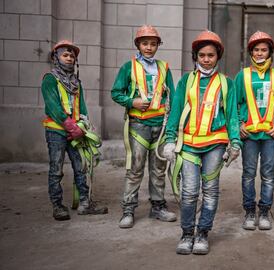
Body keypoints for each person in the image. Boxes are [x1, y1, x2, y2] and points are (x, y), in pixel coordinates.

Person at [163, 30, 241, 255]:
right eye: (202, 55)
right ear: (195, 56)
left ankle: (203, 233)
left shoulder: (227, 83)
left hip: (215, 145)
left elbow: (232, 116)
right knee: (188, 192)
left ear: (218, 56)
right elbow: (176, 111)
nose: (206, 59)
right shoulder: (186, 81)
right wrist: (170, 140)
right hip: (188, 145)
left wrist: (234, 142)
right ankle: (187, 233)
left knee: (210, 191)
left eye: (211, 55)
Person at [111, 25, 176, 229]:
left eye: (153, 44)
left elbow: (172, 97)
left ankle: (157, 207)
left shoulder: (164, 68)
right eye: (145, 43)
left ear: (158, 46)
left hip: (161, 126)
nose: (149, 47)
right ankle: (128, 209)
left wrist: (173, 126)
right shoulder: (128, 67)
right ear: (138, 45)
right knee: (135, 169)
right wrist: (133, 102)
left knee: (158, 169)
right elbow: (116, 92)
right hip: (139, 126)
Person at [41, 40, 108, 221]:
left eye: (72, 56)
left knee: (81, 166)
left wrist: (84, 127)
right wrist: (72, 127)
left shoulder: (76, 82)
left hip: (76, 133)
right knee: (56, 169)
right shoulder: (50, 79)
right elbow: (54, 107)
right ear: (56, 57)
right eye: (65, 55)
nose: (69, 58)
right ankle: (57, 206)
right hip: (56, 131)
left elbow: (82, 108)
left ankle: (85, 203)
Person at [234, 31, 274, 231]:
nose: (260, 53)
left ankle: (265, 211)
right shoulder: (242, 76)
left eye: (264, 50)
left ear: (270, 52)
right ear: (251, 52)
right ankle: (250, 211)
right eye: (256, 50)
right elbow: (233, 104)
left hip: (270, 136)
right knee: (249, 173)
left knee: (268, 174)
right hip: (249, 136)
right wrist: (239, 125)